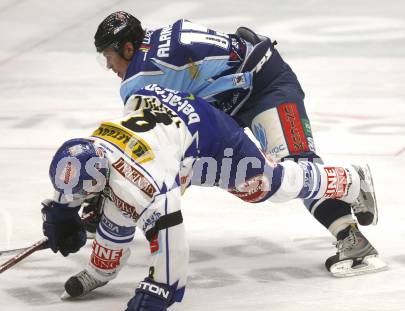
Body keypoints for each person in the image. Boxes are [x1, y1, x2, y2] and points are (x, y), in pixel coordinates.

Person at [42, 85, 382, 311]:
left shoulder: (144, 182)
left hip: (208, 135)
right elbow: (74, 179)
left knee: (267, 185)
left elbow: (171, 237)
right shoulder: (88, 150)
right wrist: (61, 211)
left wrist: (162, 289)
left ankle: (350, 178)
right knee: (118, 211)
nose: (77, 198)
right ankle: (101, 272)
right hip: (166, 118)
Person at [93, 11, 385, 275]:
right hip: (224, 102)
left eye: (108, 55)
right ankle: (350, 218)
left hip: (266, 87)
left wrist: (109, 198)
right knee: (205, 169)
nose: (108, 65)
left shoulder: (139, 79)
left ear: (128, 48)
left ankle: (350, 219)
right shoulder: (156, 39)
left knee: (297, 168)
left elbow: (142, 147)